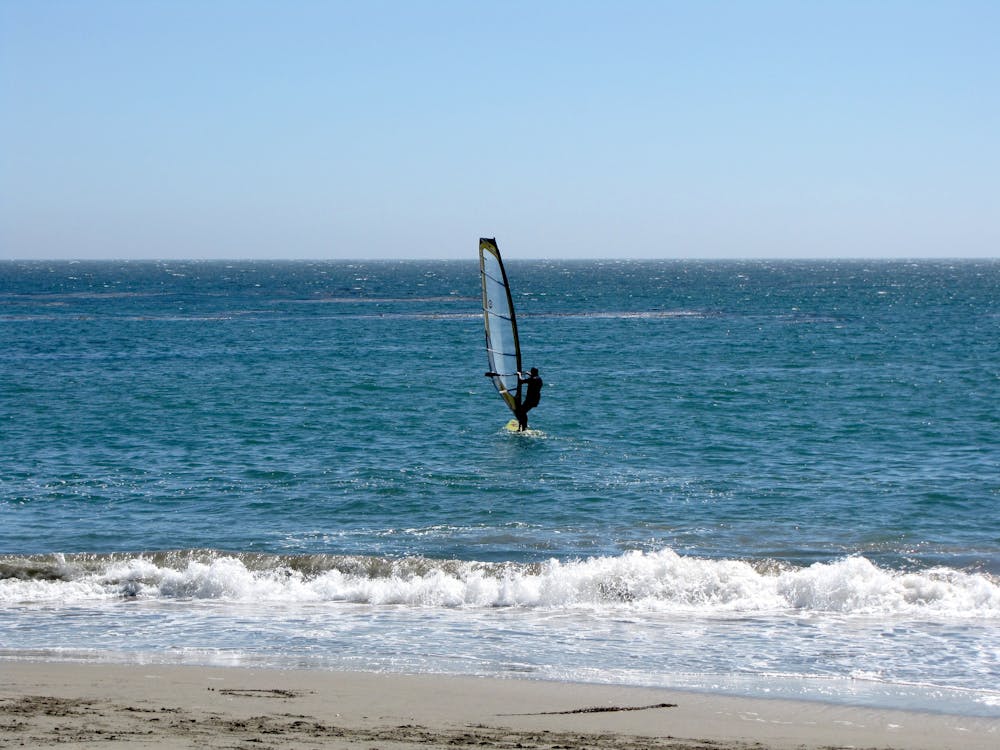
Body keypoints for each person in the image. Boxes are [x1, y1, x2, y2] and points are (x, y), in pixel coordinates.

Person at [515, 367, 543, 431]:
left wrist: (519, 374)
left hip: (530, 400)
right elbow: (533, 377)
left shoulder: (532, 379)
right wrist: (528, 373)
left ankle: (524, 427)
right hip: (535, 399)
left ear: (533, 372)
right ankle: (523, 426)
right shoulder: (539, 378)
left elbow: (521, 381)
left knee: (522, 412)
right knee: (522, 411)